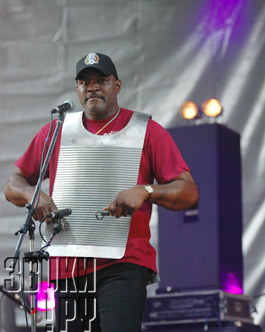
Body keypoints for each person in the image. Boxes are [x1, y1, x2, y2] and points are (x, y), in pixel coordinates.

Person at [4, 52, 199, 331]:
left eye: (101, 80)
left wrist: (146, 190)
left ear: (117, 85)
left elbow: (189, 192)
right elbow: (14, 184)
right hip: (66, 268)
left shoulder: (147, 131)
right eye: (84, 82)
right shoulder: (56, 131)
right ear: (77, 89)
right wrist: (34, 196)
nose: (92, 87)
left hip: (122, 264)